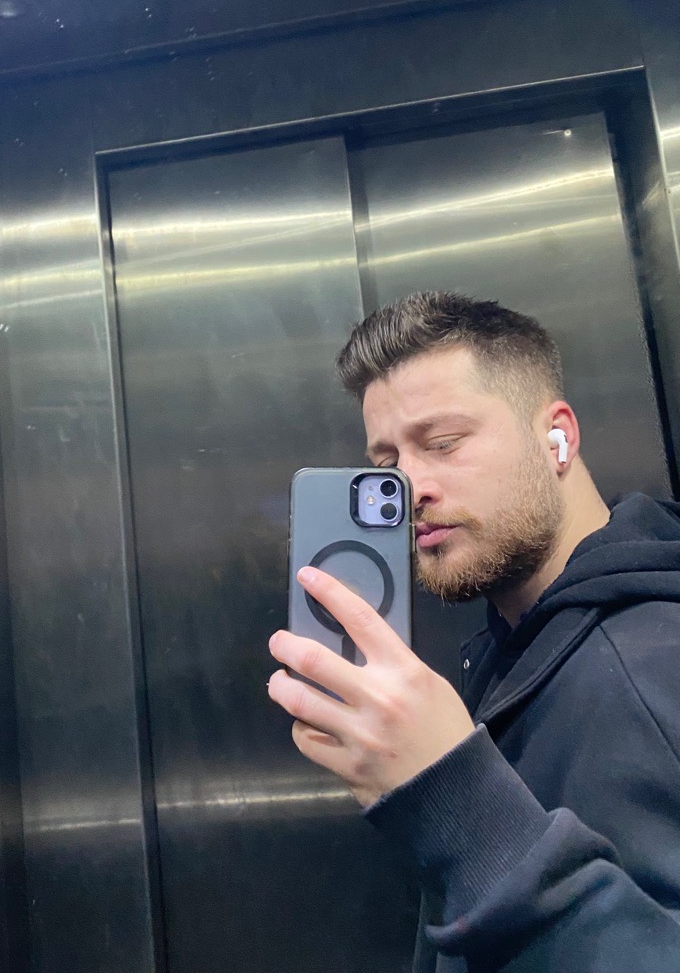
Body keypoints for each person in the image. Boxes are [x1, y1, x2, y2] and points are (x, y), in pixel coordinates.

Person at [267, 291, 680, 972]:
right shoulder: (515, 653)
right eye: (386, 464)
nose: (411, 487)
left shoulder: (647, 666)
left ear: (558, 438)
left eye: (443, 443)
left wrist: (454, 800)